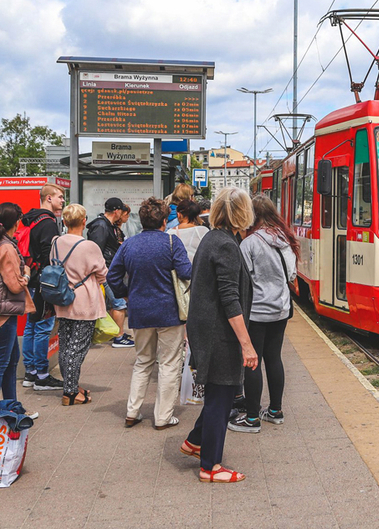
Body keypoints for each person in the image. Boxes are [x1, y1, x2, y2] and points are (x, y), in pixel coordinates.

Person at [181, 188, 258, 483]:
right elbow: (229, 298)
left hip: (206, 328)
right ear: (243, 213)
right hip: (219, 333)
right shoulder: (226, 245)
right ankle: (210, 466)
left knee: (218, 393)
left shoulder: (211, 238)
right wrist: (246, 344)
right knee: (222, 396)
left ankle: (195, 442)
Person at [108, 197, 193, 429]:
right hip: (169, 313)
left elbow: (112, 277)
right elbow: (186, 272)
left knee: (143, 361)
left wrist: (126, 294)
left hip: (140, 313)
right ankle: (163, 417)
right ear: (164, 221)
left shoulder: (129, 245)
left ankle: (132, 412)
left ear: (142, 220)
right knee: (169, 363)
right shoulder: (172, 243)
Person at [230, 195, 298, 433]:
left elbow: (243, 279)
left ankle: (251, 418)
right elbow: (291, 275)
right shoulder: (284, 239)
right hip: (281, 309)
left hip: (257, 311)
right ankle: (275, 411)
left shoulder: (249, 244)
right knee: (274, 358)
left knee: (252, 361)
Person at [0, 202, 35, 410]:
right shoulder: (6, 247)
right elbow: (15, 284)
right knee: (1, 363)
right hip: (3, 311)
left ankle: (11, 407)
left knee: (10, 360)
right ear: (17, 222)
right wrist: (27, 273)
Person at [53, 204, 107, 406]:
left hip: (62, 299)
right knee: (77, 348)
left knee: (65, 345)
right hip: (84, 301)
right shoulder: (89, 246)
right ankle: (70, 392)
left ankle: (71, 386)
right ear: (84, 222)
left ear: (64, 222)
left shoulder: (56, 242)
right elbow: (102, 274)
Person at [20, 183, 64, 392]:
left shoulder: (30, 219)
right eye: (59, 197)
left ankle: (30, 372)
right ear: (48, 199)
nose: (62, 200)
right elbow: (49, 253)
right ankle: (42, 376)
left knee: (31, 325)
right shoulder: (48, 223)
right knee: (43, 327)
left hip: (30, 278)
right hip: (42, 281)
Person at [86, 197, 131, 348]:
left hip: (108, 269)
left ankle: (117, 334)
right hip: (105, 270)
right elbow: (96, 250)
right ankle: (118, 337)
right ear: (117, 211)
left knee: (114, 302)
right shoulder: (101, 226)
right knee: (118, 303)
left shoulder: (106, 225)